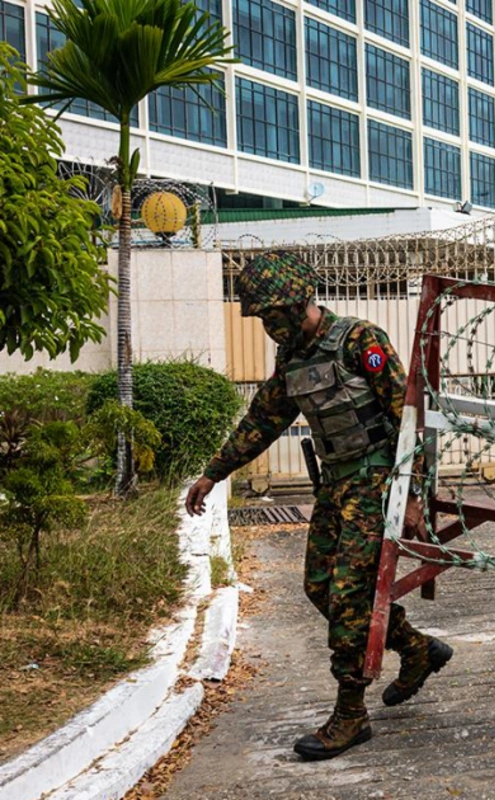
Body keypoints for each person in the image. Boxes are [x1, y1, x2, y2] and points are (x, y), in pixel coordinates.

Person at [185, 252, 453, 761]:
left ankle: (351, 715)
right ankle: (416, 649)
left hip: (376, 483)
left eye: (270, 316)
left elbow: (410, 417)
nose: (266, 326)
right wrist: (213, 473)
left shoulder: (360, 341)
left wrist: (414, 494)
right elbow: (263, 419)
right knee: (318, 586)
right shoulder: (292, 358)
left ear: (295, 304)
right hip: (335, 487)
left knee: (349, 597)